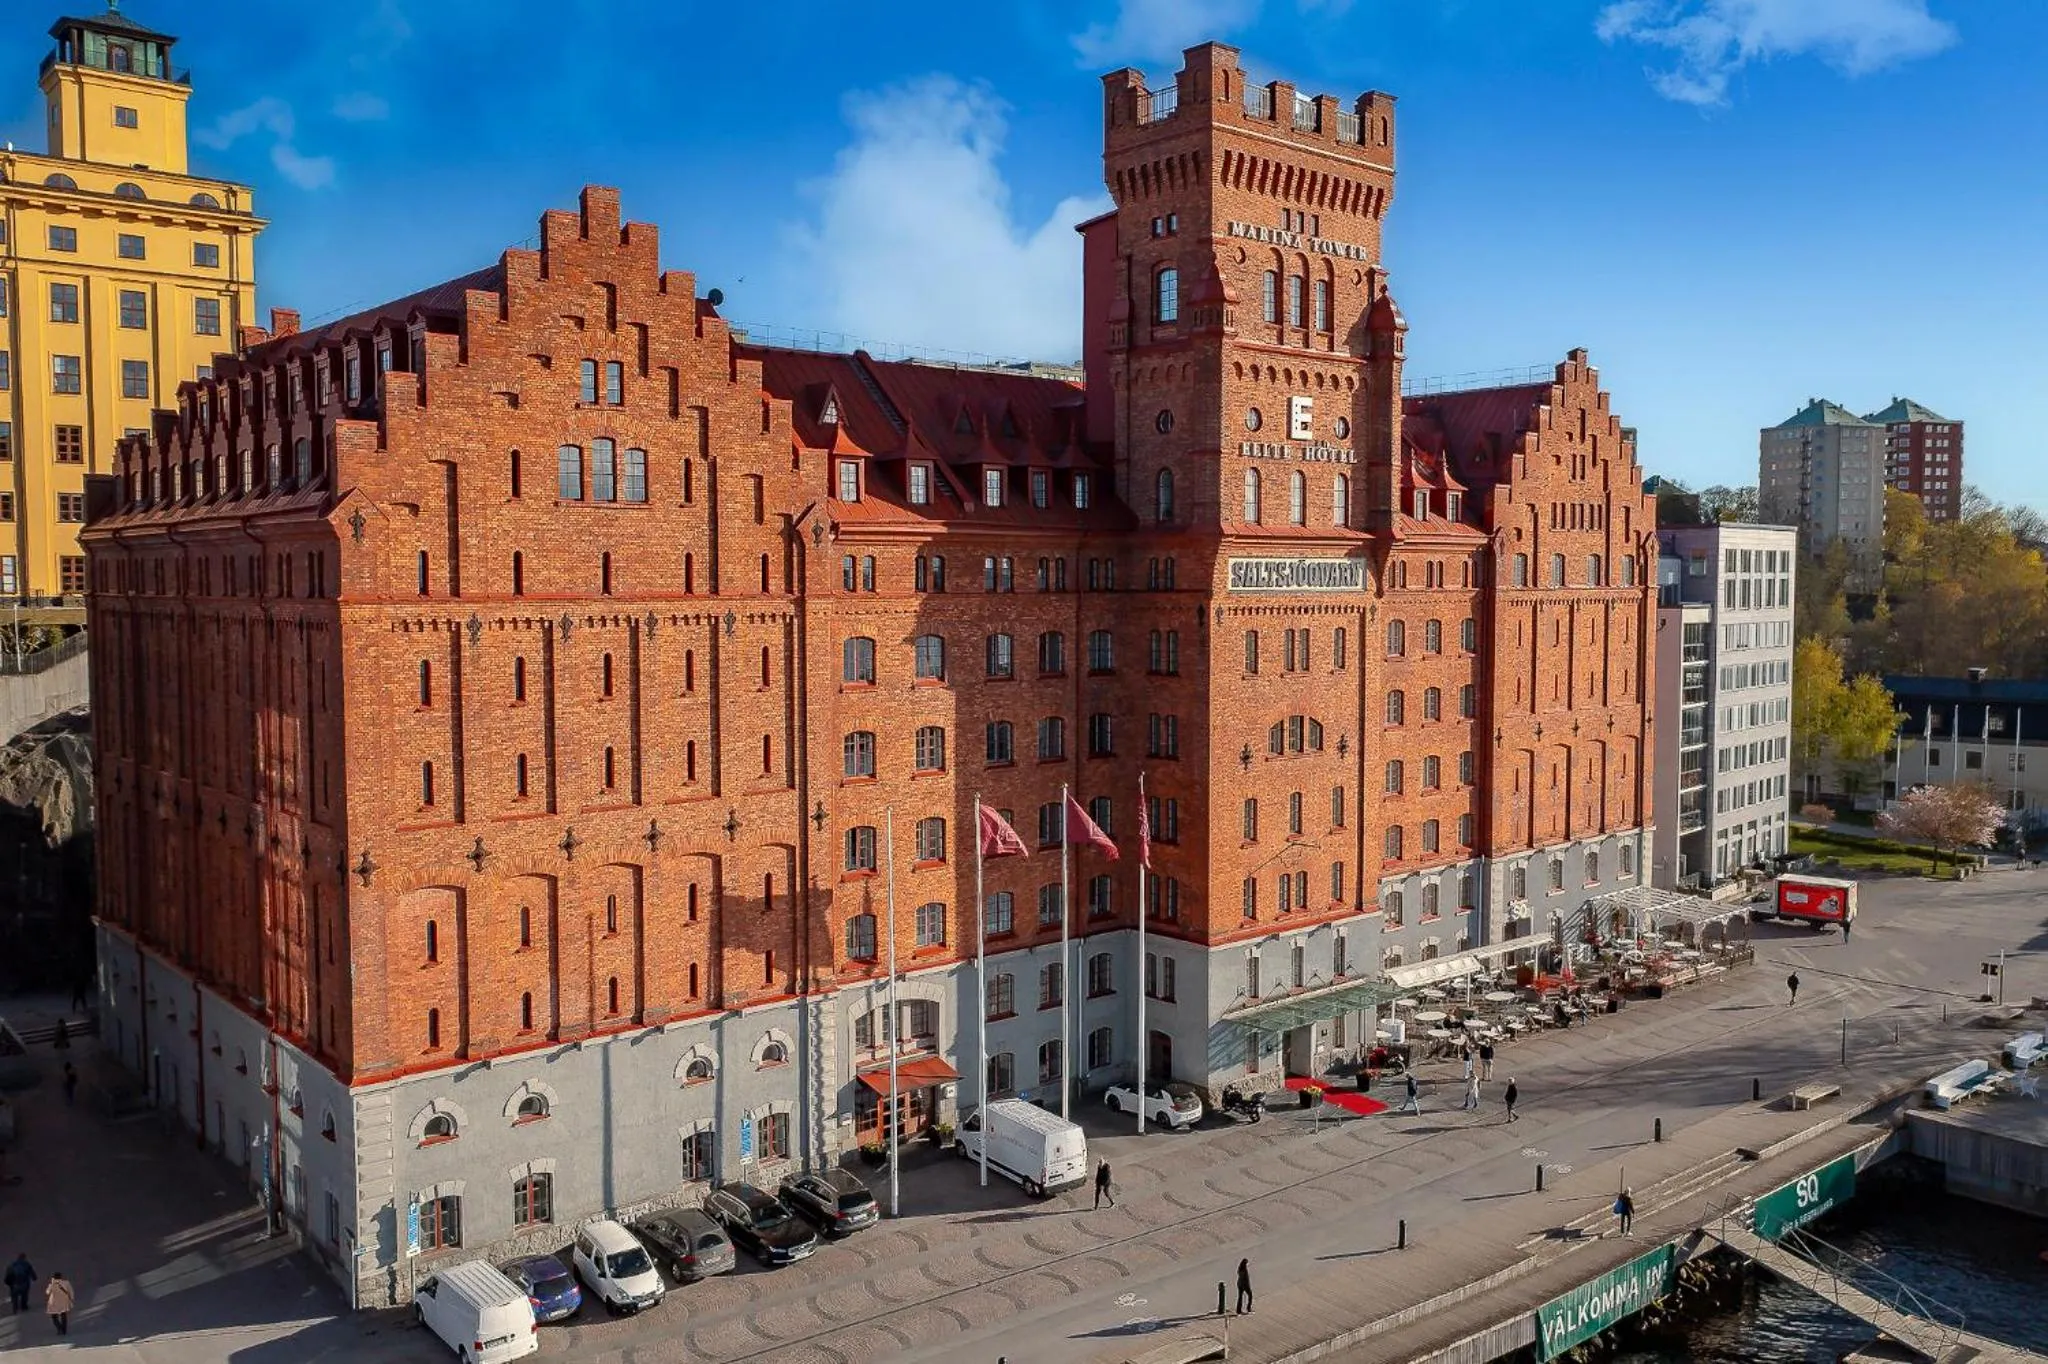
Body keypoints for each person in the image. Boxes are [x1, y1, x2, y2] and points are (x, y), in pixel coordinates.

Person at [45, 1270, 72, 1336]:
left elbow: (47, 1292)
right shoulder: (66, 1283)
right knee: (64, 1316)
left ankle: (59, 1328)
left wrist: (52, 1284)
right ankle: (64, 1329)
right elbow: (70, 1291)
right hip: (63, 1302)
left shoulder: (51, 1285)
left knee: (54, 1317)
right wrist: (71, 1299)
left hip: (53, 1303)